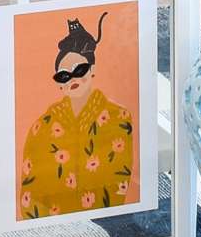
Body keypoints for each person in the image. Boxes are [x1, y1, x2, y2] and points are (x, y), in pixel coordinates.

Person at [17, 12, 135, 219]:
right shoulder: (42, 127)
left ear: (93, 70)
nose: (72, 79)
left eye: (79, 70)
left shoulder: (119, 118)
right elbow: (30, 190)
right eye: (63, 75)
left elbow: (120, 180)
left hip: (106, 224)